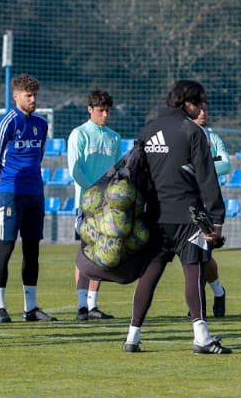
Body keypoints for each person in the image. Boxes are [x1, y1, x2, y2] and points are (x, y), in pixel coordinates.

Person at [125, 79, 229, 354]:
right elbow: (208, 179)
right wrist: (216, 219)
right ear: (188, 103)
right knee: (194, 273)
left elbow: (139, 175)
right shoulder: (192, 131)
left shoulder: (148, 130)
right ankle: (202, 337)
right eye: (201, 102)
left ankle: (132, 337)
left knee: (150, 274)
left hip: (155, 216)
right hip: (188, 217)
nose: (203, 107)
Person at [0, 73, 54, 323]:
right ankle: (0, 307)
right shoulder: (7, 122)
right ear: (16, 96)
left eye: (35, 95)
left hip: (35, 193)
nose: (33, 99)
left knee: (32, 250)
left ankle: (31, 308)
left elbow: (39, 156)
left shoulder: (41, 124)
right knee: (6, 247)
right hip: (10, 193)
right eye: (28, 95)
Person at [68, 90, 122, 321]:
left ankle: (92, 305)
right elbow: (75, 170)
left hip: (108, 206)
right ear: (90, 110)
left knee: (101, 253)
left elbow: (118, 170)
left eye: (108, 110)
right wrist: (95, 191)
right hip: (87, 204)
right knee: (84, 253)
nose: (105, 115)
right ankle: (81, 306)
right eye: (101, 110)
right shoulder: (79, 134)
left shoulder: (114, 137)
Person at [192, 101, 233, 318]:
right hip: (185, 204)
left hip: (207, 205)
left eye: (205, 109)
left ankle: (218, 292)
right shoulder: (183, 137)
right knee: (192, 256)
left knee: (204, 256)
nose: (203, 113)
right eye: (199, 109)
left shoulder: (212, 137)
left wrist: (199, 168)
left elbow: (226, 165)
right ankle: (198, 306)